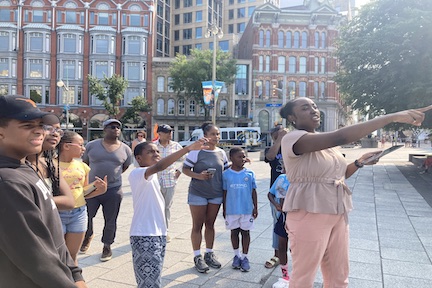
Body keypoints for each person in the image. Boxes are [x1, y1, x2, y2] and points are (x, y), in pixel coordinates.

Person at [279, 97, 431, 287]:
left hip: (337, 213)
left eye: (315, 106)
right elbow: (341, 136)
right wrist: (390, 117)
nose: (313, 110)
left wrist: (359, 162)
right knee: (304, 278)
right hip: (309, 214)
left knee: (339, 277)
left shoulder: (327, 145)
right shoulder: (292, 138)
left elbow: (339, 176)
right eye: (305, 108)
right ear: (292, 117)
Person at [0, 95, 87, 287]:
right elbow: (36, 259)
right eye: (27, 125)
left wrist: (75, 274)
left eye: (40, 125)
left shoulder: (24, 168)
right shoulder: (7, 182)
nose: (39, 131)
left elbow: (55, 239)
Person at [129, 138, 208, 288]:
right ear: (138, 158)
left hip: (158, 234)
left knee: (154, 279)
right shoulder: (138, 174)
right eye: (150, 151)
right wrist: (188, 149)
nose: (156, 153)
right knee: (148, 283)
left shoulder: (151, 177)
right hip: (145, 236)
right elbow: (160, 166)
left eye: (157, 151)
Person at [80, 119, 133, 262]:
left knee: (111, 219)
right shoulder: (91, 146)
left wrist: (112, 177)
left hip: (113, 190)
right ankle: (87, 236)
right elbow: (85, 163)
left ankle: (107, 245)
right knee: (86, 216)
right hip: (92, 189)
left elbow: (125, 166)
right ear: (104, 129)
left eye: (118, 127)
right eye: (112, 127)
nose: (115, 129)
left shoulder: (125, 149)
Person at [182, 122, 229, 273]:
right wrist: (198, 176)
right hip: (198, 193)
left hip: (216, 194)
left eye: (218, 134)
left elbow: (227, 172)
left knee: (210, 224)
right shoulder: (196, 151)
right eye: (213, 134)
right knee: (197, 225)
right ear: (205, 136)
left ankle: (209, 253)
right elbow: (185, 169)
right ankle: (197, 256)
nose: (216, 137)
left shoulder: (221, 153)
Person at [58, 131, 108, 264]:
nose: (83, 148)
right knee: (59, 255)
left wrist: (99, 190)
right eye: (80, 145)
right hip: (57, 213)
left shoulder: (82, 166)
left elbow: (83, 191)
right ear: (66, 146)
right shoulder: (49, 165)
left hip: (79, 213)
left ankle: (74, 281)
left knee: (72, 255)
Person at [222, 147, 257, 272]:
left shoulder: (249, 174)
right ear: (231, 158)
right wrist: (224, 209)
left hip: (246, 209)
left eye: (243, 156)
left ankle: (245, 257)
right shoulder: (225, 175)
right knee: (234, 232)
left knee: (246, 233)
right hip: (232, 209)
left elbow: (253, 191)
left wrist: (255, 207)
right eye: (239, 157)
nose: (242, 159)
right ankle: (236, 256)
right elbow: (224, 193)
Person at [154, 124, 183, 242]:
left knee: (166, 207)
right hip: (155, 181)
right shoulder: (153, 146)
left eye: (171, 132)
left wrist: (180, 170)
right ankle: (155, 231)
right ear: (159, 134)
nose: (169, 134)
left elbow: (187, 159)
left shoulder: (176, 146)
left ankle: (165, 232)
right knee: (155, 206)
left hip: (170, 181)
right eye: (167, 132)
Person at [264, 125, 288, 269]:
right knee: (278, 224)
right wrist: (279, 140)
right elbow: (270, 157)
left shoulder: (293, 147)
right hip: (277, 192)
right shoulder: (272, 149)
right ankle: (277, 254)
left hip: (296, 190)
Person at [268, 170, 290, 288]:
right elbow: (270, 193)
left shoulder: (304, 179)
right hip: (283, 217)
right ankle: (285, 275)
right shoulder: (282, 178)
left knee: (296, 249)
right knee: (282, 246)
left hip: (299, 218)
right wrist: (276, 205)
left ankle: (299, 276)